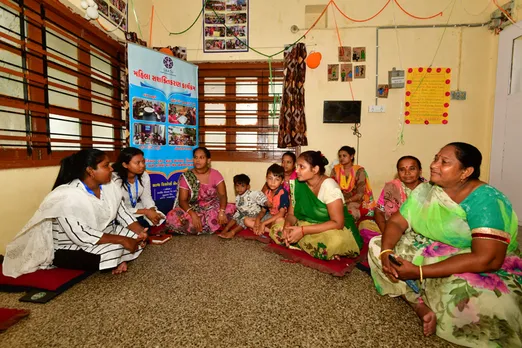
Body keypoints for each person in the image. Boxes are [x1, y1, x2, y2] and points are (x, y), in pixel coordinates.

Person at [369, 142, 522, 347]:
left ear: (466, 171)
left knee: (484, 303)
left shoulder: (487, 200)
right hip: (425, 248)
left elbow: (488, 259)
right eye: (435, 158)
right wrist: (388, 251)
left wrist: (420, 271)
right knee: (378, 247)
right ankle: (418, 304)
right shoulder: (425, 190)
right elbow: (396, 222)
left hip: (470, 259)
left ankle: (418, 291)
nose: (434, 165)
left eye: (444, 162)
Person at [3, 149, 147, 278]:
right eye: (106, 166)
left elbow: (121, 212)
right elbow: (81, 235)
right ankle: (117, 259)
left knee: (137, 240)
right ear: (90, 171)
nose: (111, 169)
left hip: (104, 235)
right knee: (116, 249)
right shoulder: (67, 195)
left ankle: (117, 261)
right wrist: (121, 240)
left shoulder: (110, 186)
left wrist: (140, 232)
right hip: (72, 246)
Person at [270, 151, 363, 260]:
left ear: (315, 169)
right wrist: (287, 226)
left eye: (301, 167)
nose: (296, 170)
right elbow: (291, 214)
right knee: (276, 230)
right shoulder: (298, 185)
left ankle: (305, 243)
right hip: (307, 224)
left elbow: (338, 223)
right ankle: (319, 249)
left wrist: (303, 231)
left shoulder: (330, 186)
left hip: (332, 229)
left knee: (335, 241)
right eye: (297, 166)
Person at [165, 147, 235, 235]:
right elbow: (182, 200)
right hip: (192, 208)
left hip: (212, 207)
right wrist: (193, 214)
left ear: (208, 160)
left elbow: (222, 195)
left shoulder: (216, 174)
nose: (197, 160)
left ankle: (197, 227)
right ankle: (208, 226)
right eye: (195, 157)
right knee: (172, 216)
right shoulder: (187, 176)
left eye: (201, 158)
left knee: (231, 209)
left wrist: (222, 211)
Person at [112, 147, 164, 227]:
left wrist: (151, 210)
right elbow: (118, 208)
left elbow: (146, 197)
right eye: (138, 163)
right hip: (120, 212)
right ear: (125, 165)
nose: (142, 165)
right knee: (137, 223)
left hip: (137, 208)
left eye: (143, 161)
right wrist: (146, 212)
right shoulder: (115, 180)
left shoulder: (144, 176)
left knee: (163, 208)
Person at [374, 156, 427, 234]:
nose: (407, 173)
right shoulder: (391, 187)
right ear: (398, 172)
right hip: (393, 229)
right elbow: (379, 211)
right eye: (402, 169)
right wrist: (386, 232)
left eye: (412, 168)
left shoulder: (429, 189)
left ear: (420, 171)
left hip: (422, 231)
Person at [330, 146, 376, 220]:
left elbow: (360, 193)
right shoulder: (335, 170)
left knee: (351, 212)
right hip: (338, 199)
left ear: (351, 156)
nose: (341, 158)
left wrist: (347, 201)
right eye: (340, 156)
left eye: (344, 156)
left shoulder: (359, 171)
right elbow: (331, 187)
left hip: (355, 200)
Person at [219, 174, 267, 239]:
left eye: (242, 186)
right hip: (244, 214)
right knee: (236, 216)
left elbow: (259, 195)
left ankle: (232, 232)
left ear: (248, 187)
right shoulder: (238, 198)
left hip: (254, 214)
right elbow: (239, 210)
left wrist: (265, 202)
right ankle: (225, 230)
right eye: (237, 186)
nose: (239, 188)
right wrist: (236, 217)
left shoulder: (251, 194)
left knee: (243, 220)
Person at [248, 164, 289, 235]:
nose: (273, 182)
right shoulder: (267, 193)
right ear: (266, 179)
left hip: (277, 218)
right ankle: (268, 230)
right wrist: (258, 220)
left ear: (282, 181)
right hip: (269, 216)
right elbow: (263, 211)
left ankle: (265, 228)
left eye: (277, 179)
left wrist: (263, 223)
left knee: (280, 220)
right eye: (270, 178)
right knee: (246, 220)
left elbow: (281, 213)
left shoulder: (283, 193)